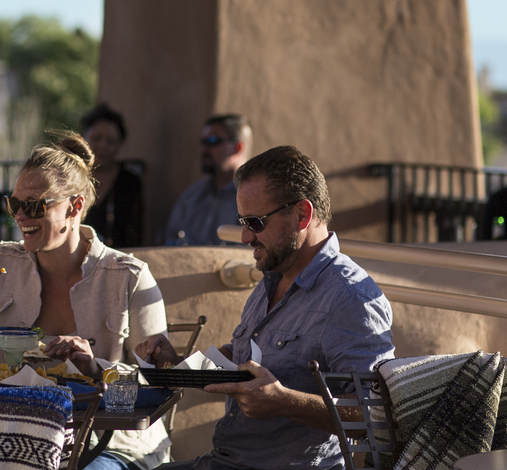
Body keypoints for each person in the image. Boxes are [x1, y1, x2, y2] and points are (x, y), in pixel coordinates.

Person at [138, 145, 395, 470]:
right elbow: (243, 361)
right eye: (243, 221)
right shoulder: (274, 276)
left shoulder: (349, 297)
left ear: (302, 214)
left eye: (256, 222)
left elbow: (375, 414)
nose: (245, 236)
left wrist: (284, 402)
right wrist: (177, 367)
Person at [0, 131, 172, 470]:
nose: (20, 217)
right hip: (17, 434)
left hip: (107, 442)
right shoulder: (2, 265)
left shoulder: (128, 276)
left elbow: (156, 383)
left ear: (74, 206)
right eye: (14, 204)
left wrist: (95, 369)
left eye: (33, 206)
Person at [160, 114, 252, 245]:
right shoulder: (192, 196)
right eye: (203, 142)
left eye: (213, 141)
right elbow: (169, 241)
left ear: (238, 148)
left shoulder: (254, 198)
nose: (204, 149)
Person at [81, 103, 145, 248]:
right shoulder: (70, 178)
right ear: (84, 139)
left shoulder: (130, 183)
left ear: (119, 145)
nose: (102, 146)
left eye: (110, 141)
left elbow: (135, 235)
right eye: (96, 138)